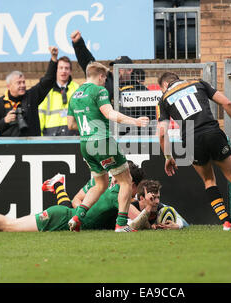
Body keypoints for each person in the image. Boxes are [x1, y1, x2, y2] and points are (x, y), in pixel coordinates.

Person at [156, 72, 231, 231]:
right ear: (177, 79)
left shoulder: (164, 99)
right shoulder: (198, 83)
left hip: (191, 141)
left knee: (209, 180)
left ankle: (226, 223)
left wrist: (168, 156)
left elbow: (162, 133)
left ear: (164, 86)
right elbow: (228, 103)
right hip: (213, 133)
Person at [0, 167, 148, 233]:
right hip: (60, 219)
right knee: (9, 225)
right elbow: (139, 221)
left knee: (11, 224)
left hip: (66, 215)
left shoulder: (101, 185)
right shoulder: (120, 197)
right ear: (133, 185)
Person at [66, 61, 149, 232]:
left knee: (100, 184)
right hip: (102, 141)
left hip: (85, 145)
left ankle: (77, 217)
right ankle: (121, 224)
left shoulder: (74, 95)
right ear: (101, 76)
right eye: (105, 78)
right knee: (126, 181)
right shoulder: (99, 91)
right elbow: (110, 114)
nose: (105, 82)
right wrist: (136, 121)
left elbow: (71, 125)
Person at [71, 30, 154, 135]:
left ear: (129, 70)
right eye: (115, 67)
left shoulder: (141, 90)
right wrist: (78, 43)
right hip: (109, 134)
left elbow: (149, 117)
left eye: (120, 68)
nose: (116, 70)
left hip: (133, 136)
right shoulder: (107, 81)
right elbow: (90, 64)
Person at [0, 46, 58, 137]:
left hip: (31, 147)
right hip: (9, 148)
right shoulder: (0, 103)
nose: (22, 85)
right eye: (19, 83)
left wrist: (53, 59)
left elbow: (47, 81)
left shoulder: (31, 96)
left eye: (23, 82)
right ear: (9, 86)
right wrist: (5, 121)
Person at [38, 56, 80, 136]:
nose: (63, 71)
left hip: (73, 135)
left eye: (66, 68)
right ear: (56, 70)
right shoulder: (47, 90)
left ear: (70, 71)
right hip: (50, 137)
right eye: (61, 68)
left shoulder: (77, 89)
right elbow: (40, 114)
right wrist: (39, 138)